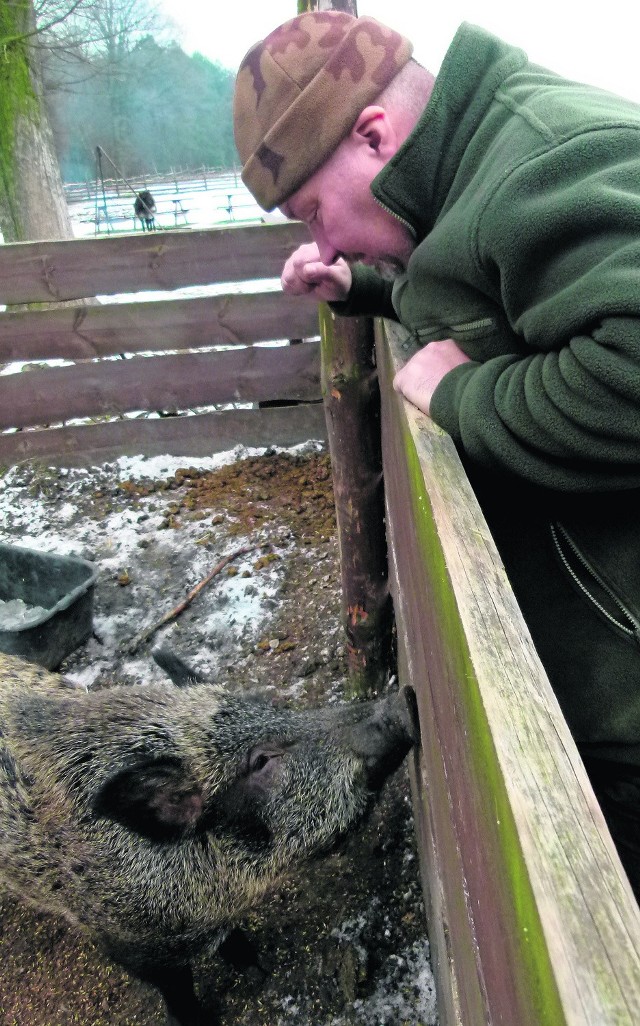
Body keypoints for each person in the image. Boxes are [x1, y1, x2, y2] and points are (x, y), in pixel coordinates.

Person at [233, 10, 640, 896]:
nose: (321, 239)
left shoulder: (549, 162)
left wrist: (460, 395)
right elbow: (485, 292)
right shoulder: (462, 173)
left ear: (374, 134)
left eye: (314, 214)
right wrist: (364, 286)